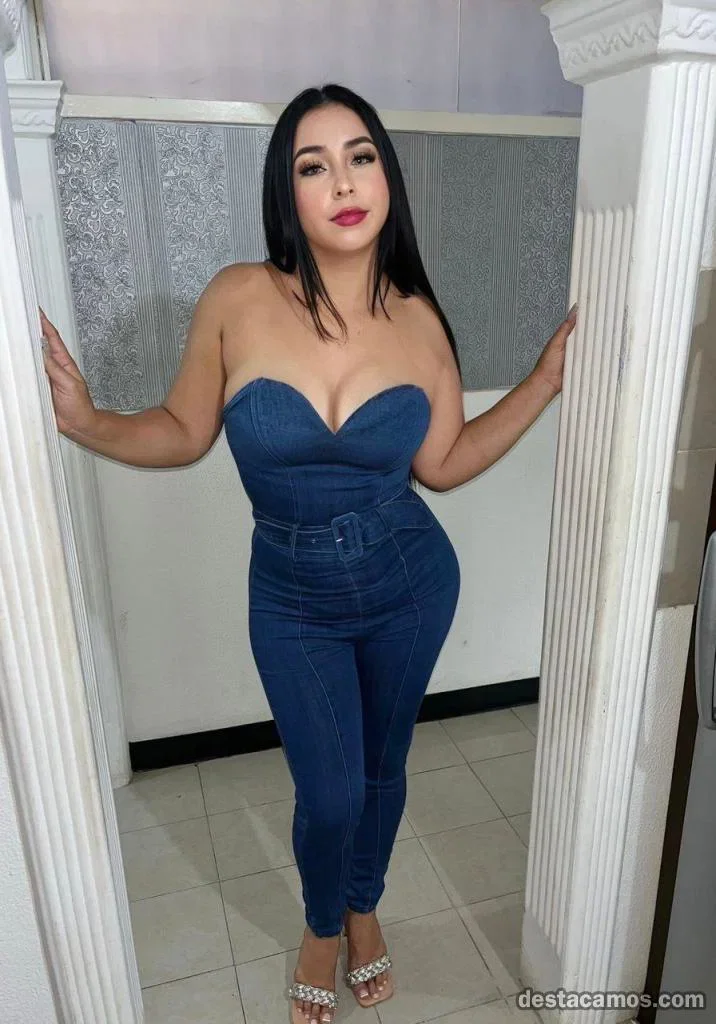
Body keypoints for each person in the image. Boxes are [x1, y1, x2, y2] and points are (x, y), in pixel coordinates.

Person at [39, 82, 576, 1024]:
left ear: (386, 175)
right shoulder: (238, 298)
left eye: (361, 156)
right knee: (328, 792)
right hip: (290, 594)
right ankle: (321, 925)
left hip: (410, 580)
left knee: (383, 770)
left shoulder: (419, 319)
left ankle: (362, 909)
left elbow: (443, 465)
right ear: (286, 192)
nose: (344, 182)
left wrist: (541, 381)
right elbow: (182, 430)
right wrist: (86, 422)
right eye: (313, 165)